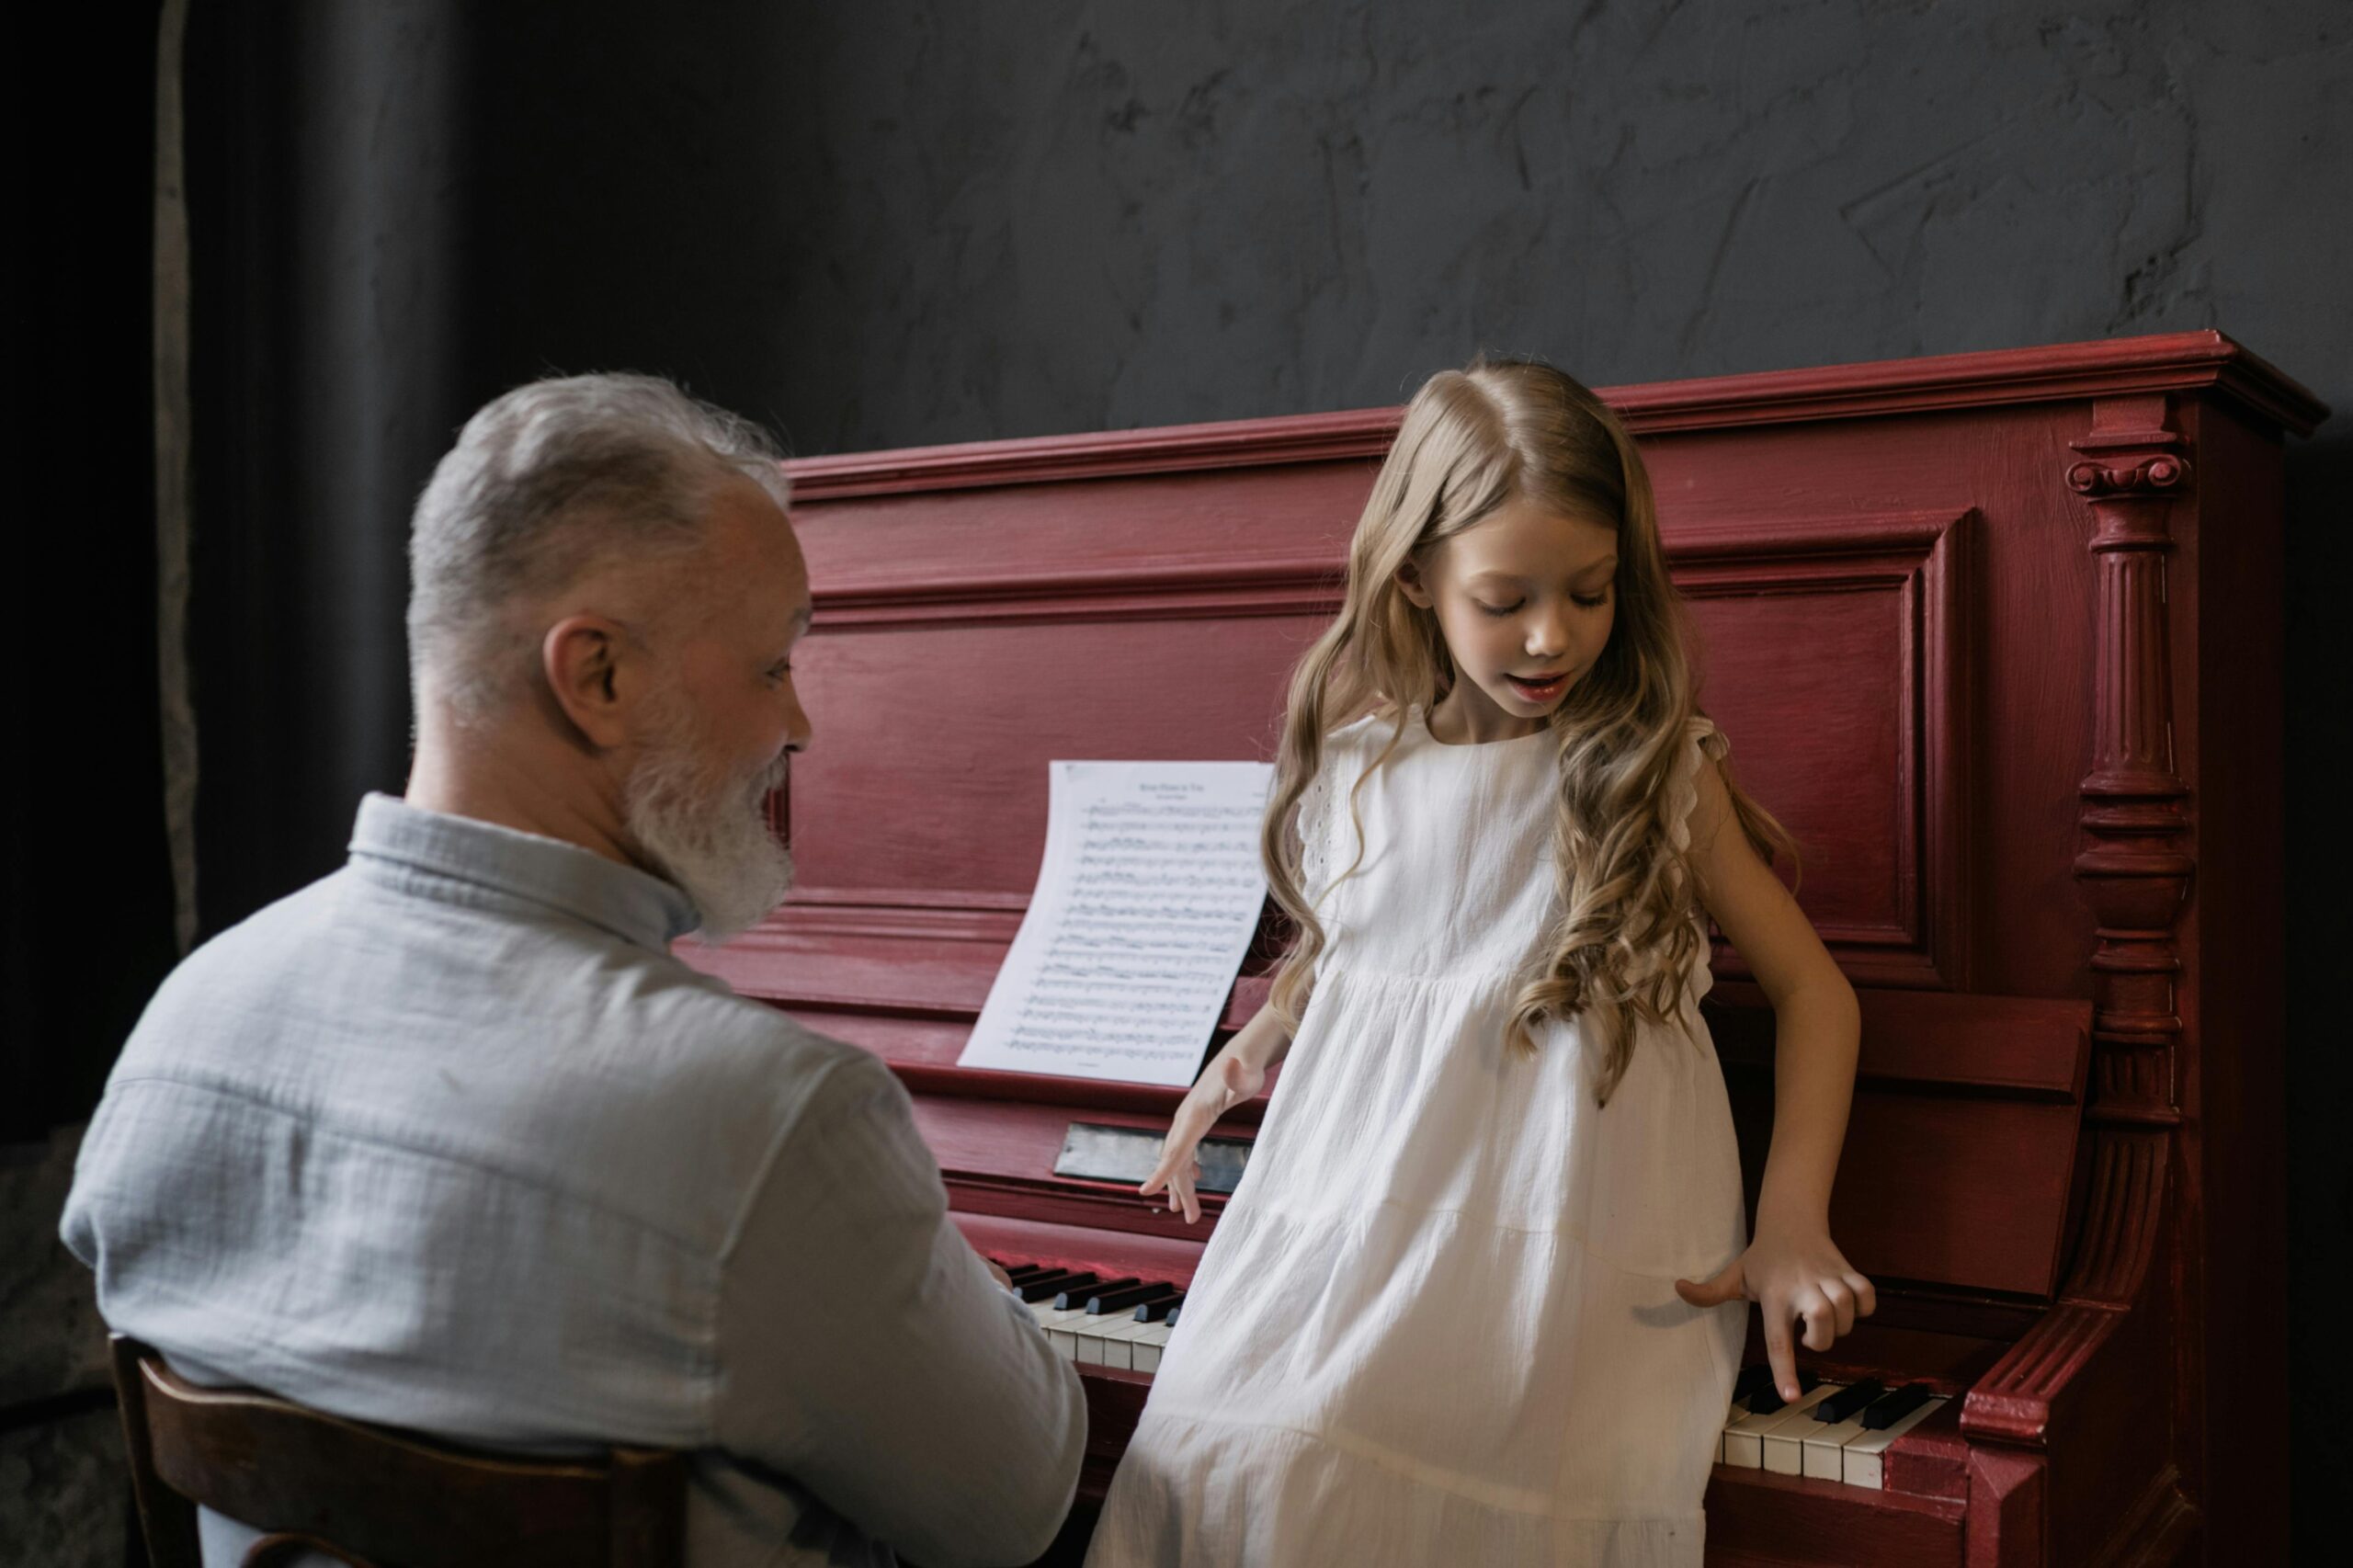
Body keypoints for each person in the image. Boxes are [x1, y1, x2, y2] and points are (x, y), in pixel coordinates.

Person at [62, 374, 1085, 1568]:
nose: (797, 726)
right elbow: (1019, 1503)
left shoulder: (183, 1023)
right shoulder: (771, 1118)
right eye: (771, 668)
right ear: (597, 675)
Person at [1086, 359, 1870, 1566]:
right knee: (1217, 1453)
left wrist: (1793, 1221)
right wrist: (1241, 1059)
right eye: (1505, 599)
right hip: (1362, 1208)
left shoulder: (1652, 768)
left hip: (1563, 1243)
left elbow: (1815, 990)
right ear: (1414, 576)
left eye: (1591, 591)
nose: (1554, 634)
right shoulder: (1359, 762)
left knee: (1351, 1477)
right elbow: (1361, 957)